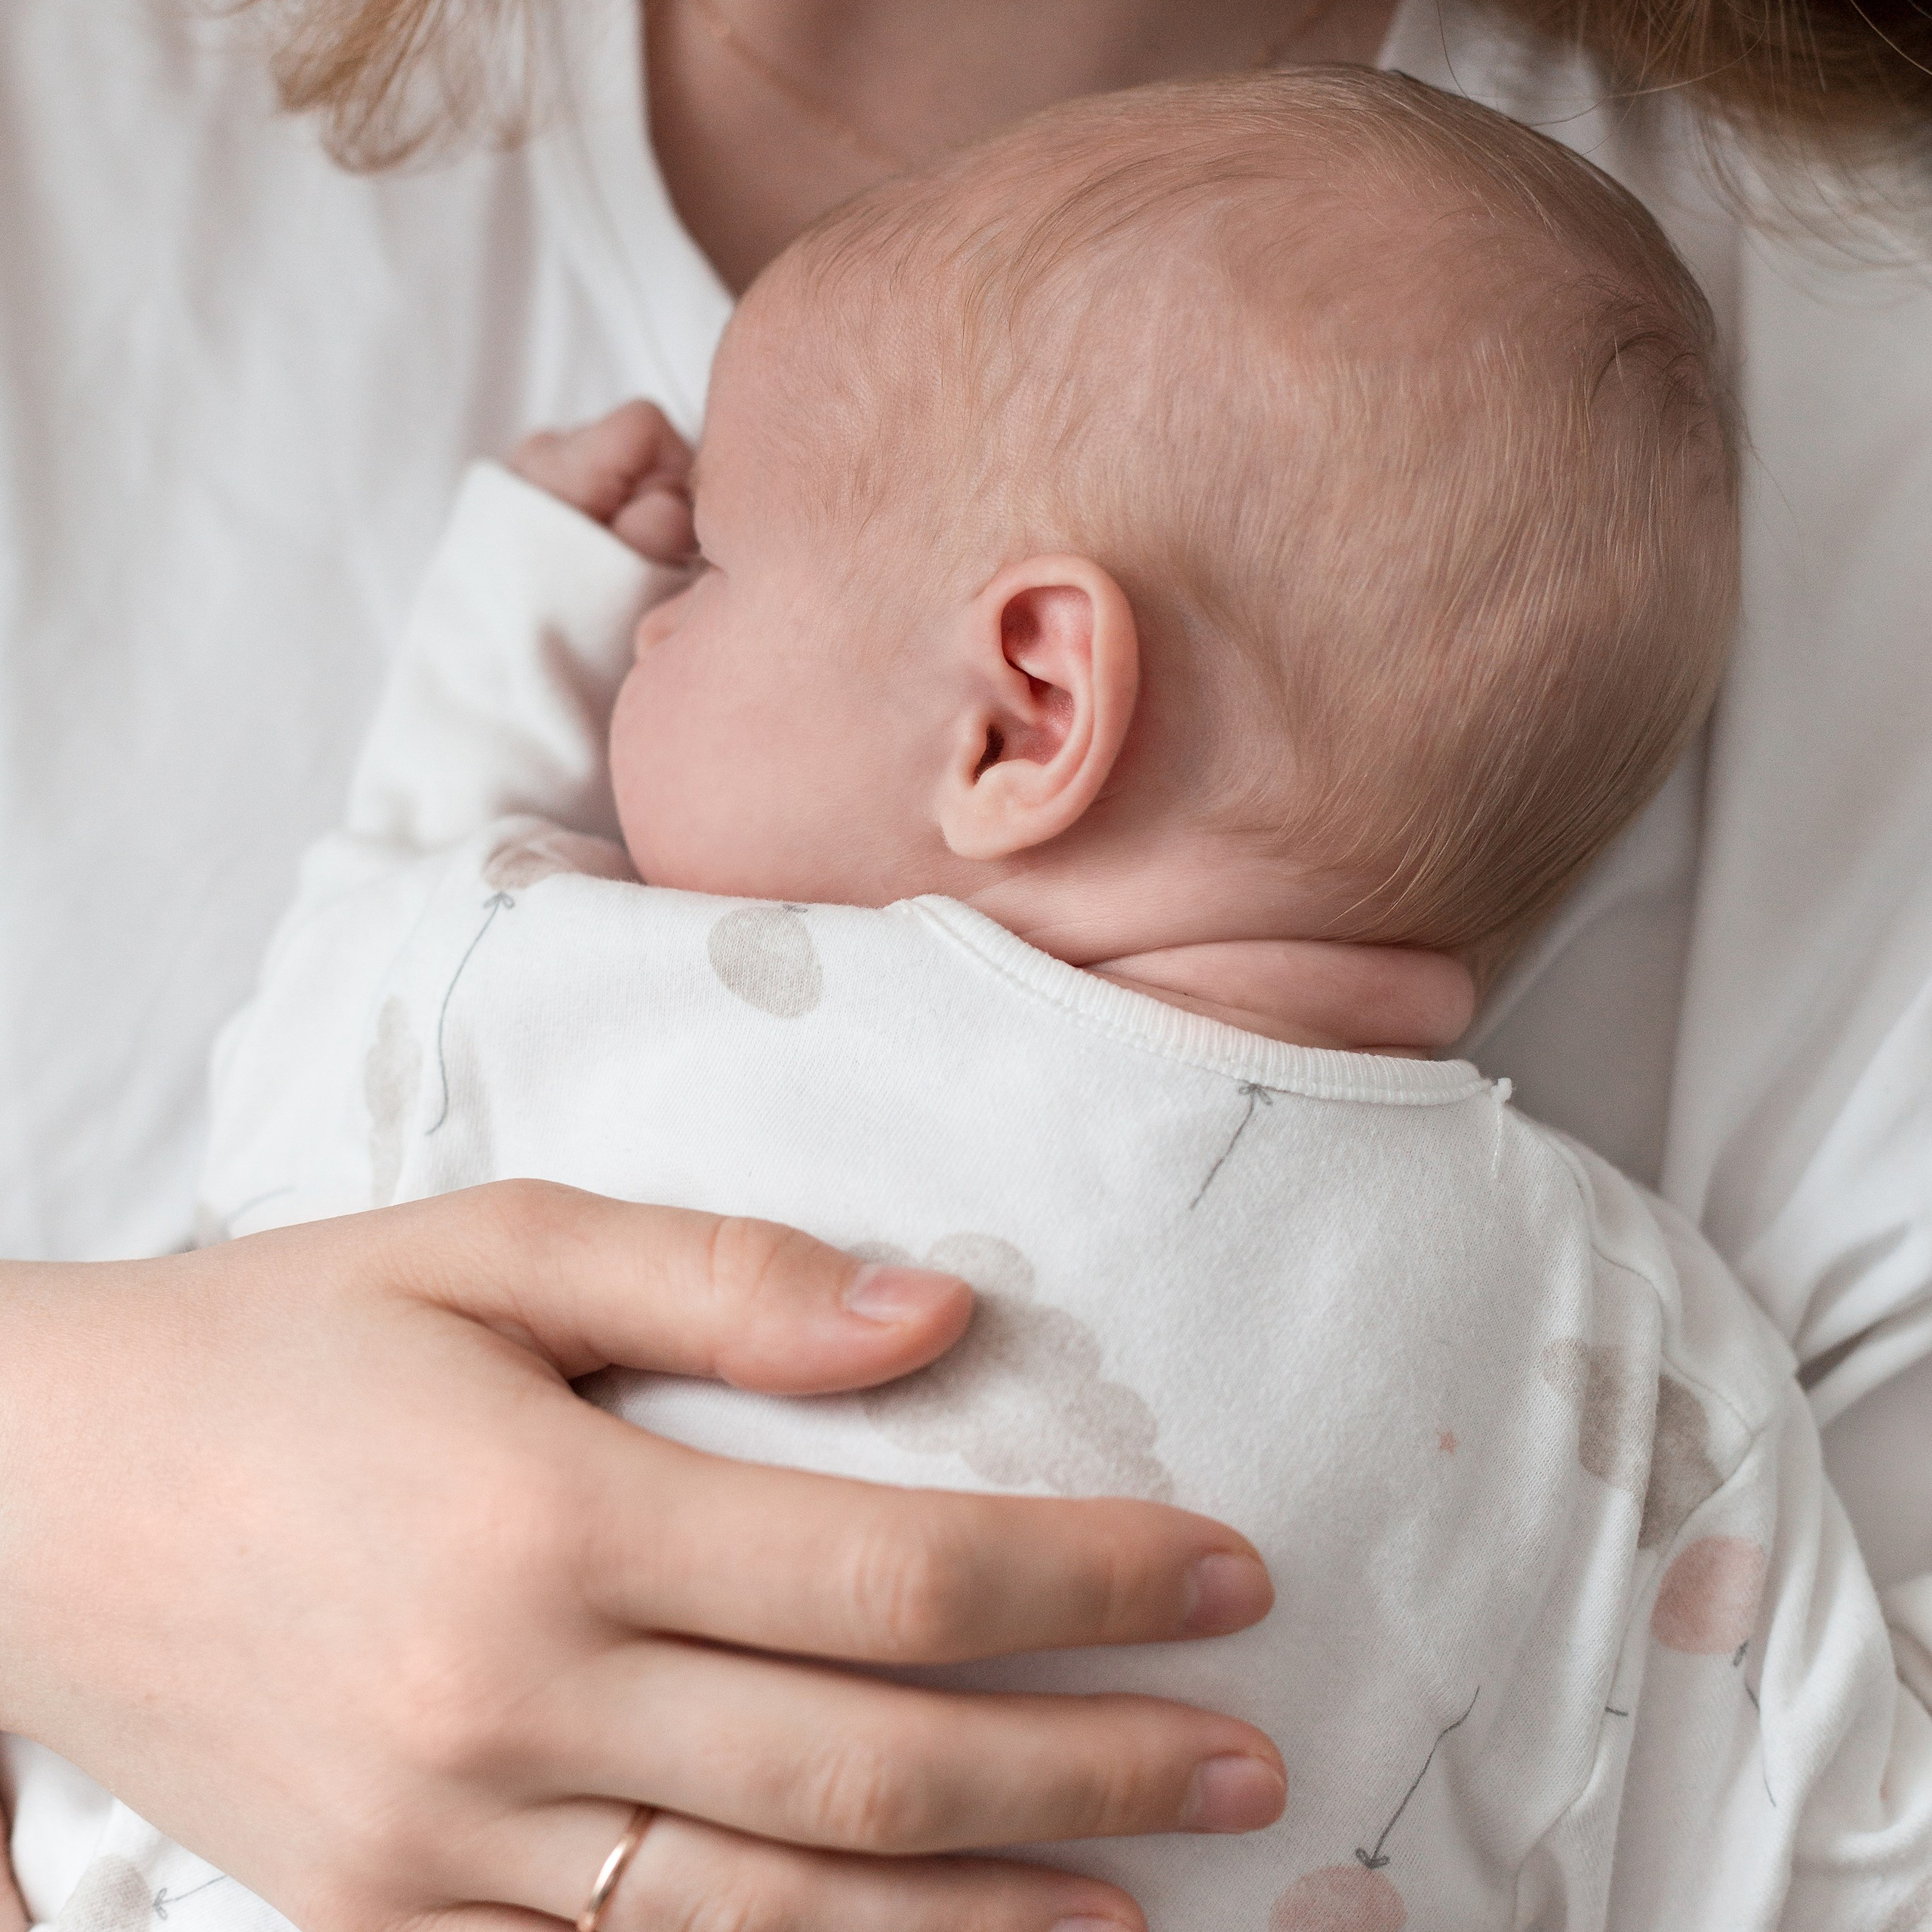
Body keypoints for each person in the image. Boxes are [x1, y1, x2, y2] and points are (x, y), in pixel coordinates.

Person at [0, 3, 1926, 1930]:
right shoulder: (1647, 1367)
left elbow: (322, 1084)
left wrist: (516, 638)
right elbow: (1842, 1842)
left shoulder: (634, 1001)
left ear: (1023, 707)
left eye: (710, 575)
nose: (656, 630)